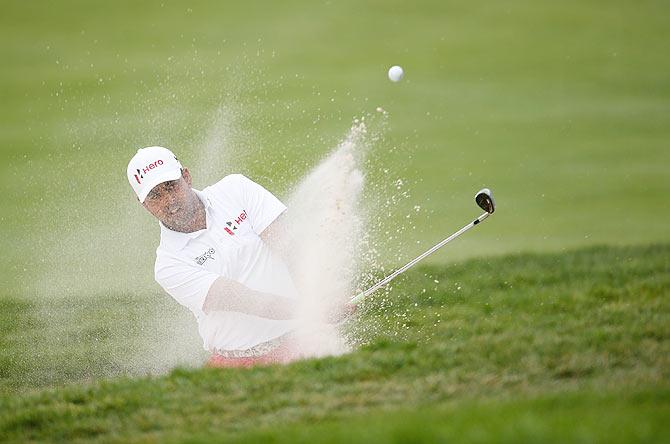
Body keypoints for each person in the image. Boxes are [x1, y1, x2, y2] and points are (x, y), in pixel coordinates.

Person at [127, 146, 345, 368]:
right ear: (143, 204)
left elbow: (286, 248)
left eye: (171, 186)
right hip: (239, 364)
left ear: (186, 177)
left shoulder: (235, 189)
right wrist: (313, 310)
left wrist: (321, 298)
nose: (169, 200)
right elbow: (245, 300)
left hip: (300, 339)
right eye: (155, 196)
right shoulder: (168, 265)